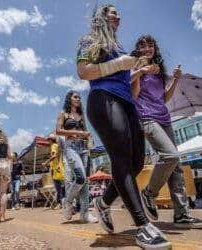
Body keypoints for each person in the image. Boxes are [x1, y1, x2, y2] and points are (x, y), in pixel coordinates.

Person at [77, 4, 171, 249]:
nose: (118, 16)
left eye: (119, 13)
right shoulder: (90, 40)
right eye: (112, 12)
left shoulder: (119, 47)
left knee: (138, 162)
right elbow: (83, 72)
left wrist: (139, 70)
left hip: (127, 103)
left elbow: (128, 84)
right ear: (101, 17)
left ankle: (104, 203)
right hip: (103, 99)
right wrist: (120, 64)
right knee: (121, 159)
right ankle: (142, 226)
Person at [131, 35, 202, 229]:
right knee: (170, 155)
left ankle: (182, 214)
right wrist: (141, 71)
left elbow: (164, 98)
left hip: (164, 119)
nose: (147, 48)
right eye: (143, 45)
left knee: (175, 165)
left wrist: (174, 80)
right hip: (147, 118)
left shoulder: (158, 73)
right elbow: (132, 94)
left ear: (155, 49)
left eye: (150, 45)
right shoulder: (135, 68)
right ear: (138, 50)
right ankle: (149, 193)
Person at [56, 90, 98, 224]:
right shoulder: (63, 114)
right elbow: (58, 130)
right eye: (75, 97)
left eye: (79, 97)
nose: (78, 99)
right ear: (69, 99)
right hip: (70, 147)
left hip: (84, 148)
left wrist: (88, 136)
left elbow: (85, 131)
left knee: (85, 181)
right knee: (80, 177)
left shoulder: (81, 115)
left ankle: (84, 214)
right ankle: (68, 202)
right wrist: (75, 132)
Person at [42, 134, 65, 209]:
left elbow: (54, 156)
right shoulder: (57, 145)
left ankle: (59, 203)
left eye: (48, 140)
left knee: (58, 187)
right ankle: (63, 202)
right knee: (61, 186)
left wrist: (46, 163)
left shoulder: (53, 146)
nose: (48, 141)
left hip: (56, 169)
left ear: (50, 140)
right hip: (59, 168)